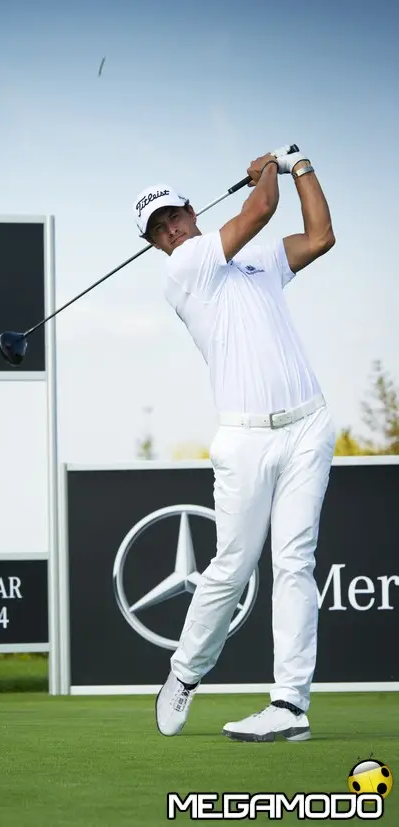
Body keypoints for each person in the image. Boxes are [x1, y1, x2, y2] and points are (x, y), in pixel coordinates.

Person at [132, 147, 337, 742]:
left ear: (193, 210)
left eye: (174, 215)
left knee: (295, 562)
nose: (170, 228)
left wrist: (302, 167)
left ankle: (289, 706)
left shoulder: (256, 260)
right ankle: (185, 674)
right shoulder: (185, 268)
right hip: (244, 441)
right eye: (158, 228)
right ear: (156, 243)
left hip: (308, 426)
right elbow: (262, 207)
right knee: (231, 567)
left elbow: (320, 236)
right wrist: (267, 171)